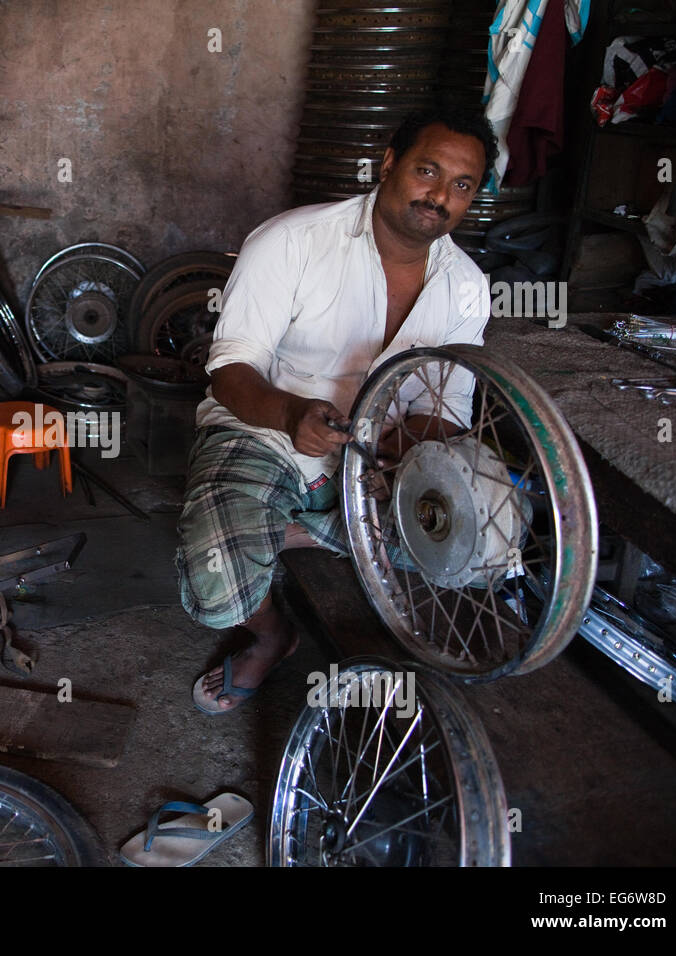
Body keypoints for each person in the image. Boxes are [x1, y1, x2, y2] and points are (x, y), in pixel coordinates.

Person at [177, 107, 499, 714]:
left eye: (462, 185)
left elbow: (447, 404)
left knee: (485, 552)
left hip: (377, 458)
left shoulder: (467, 286)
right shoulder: (292, 241)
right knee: (216, 580)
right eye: (427, 171)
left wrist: (413, 448)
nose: (440, 196)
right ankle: (273, 635)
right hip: (266, 431)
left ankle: (284, 530)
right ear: (388, 164)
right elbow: (230, 373)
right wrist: (291, 412)